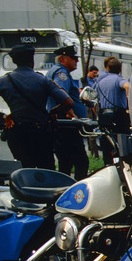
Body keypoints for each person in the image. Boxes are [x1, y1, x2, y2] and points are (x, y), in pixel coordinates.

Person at [0, 43, 71, 169]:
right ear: (32, 60)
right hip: (41, 131)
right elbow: (68, 102)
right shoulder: (43, 80)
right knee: (46, 169)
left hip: (17, 132)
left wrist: (3, 117)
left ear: (14, 61)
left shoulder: (2, 81)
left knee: (24, 169)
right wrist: (52, 112)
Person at [46, 44, 88, 180]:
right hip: (67, 124)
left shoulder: (58, 71)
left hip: (63, 123)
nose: (77, 61)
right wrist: (71, 114)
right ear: (62, 59)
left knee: (66, 162)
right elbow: (62, 94)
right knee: (81, 161)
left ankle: (64, 188)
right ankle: (78, 189)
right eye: (73, 58)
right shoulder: (61, 73)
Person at [95, 56, 131, 164]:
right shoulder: (119, 79)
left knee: (107, 143)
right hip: (118, 115)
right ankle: (123, 163)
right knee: (123, 142)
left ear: (108, 68)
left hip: (104, 115)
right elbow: (127, 86)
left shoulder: (100, 82)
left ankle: (108, 164)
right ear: (119, 69)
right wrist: (129, 103)